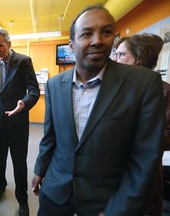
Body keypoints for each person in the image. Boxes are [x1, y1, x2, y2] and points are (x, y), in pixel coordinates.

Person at [31, 4, 165, 216]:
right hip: (56, 192)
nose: (97, 40)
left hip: (106, 200)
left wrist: (118, 210)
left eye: (106, 32)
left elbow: (145, 159)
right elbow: (50, 136)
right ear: (72, 45)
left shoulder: (143, 83)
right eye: (86, 33)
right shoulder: (55, 85)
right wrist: (39, 170)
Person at [0, 28, 40, 216]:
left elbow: (34, 90)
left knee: (19, 162)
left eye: (0, 46)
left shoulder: (23, 61)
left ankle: (23, 199)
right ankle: (0, 186)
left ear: (9, 44)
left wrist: (24, 103)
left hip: (18, 120)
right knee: (0, 158)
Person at [113, 33, 170, 216]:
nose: (115, 59)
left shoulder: (165, 92)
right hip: (110, 174)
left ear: (139, 59)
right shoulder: (112, 89)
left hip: (142, 177)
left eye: (121, 55)